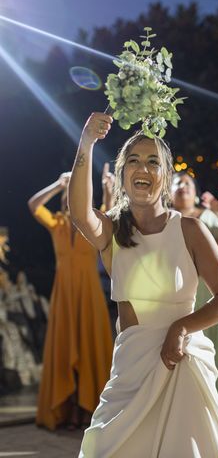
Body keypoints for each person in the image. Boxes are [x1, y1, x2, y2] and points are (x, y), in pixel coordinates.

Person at [69, 113, 218, 456]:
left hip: (182, 363)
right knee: (106, 447)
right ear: (122, 174)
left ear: (165, 176)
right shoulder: (112, 232)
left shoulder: (190, 229)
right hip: (132, 369)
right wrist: (86, 142)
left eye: (153, 162)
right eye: (133, 161)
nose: (143, 168)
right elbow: (79, 212)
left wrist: (181, 327)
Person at [28, 171, 113, 430]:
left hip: (89, 294)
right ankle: (69, 407)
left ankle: (88, 407)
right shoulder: (57, 223)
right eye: (68, 195)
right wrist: (59, 184)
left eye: (76, 193)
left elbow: (111, 214)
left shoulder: (94, 221)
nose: (70, 198)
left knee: (89, 347)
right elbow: (33, 205)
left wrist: (107, 189)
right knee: (66, 349)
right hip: (64, 295)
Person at [171, 172, 218, 422]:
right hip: (178, 292)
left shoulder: (209, 216)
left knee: (214, 349)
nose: (182, 187)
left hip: (211, 292)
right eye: (177, 183)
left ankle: (216, 403)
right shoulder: (165, 220)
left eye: (188, 183)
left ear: (196, 191)